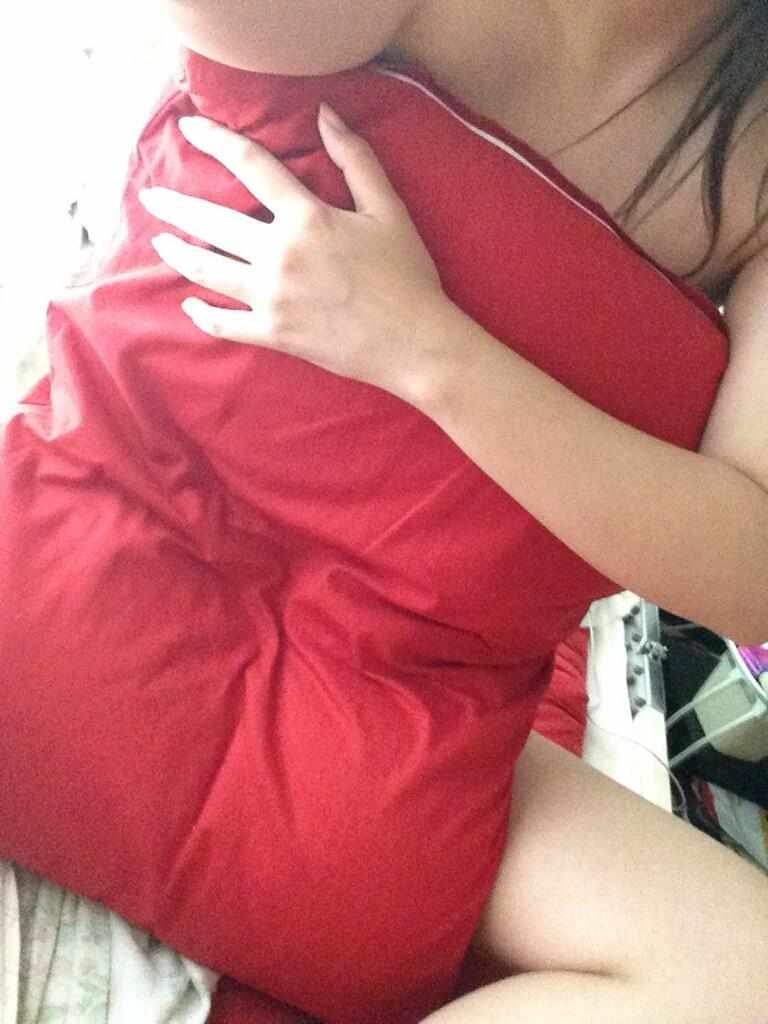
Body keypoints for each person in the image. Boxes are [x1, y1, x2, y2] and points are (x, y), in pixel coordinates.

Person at [136, 1, 768, 1020]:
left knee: (745, 979)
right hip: (127, 555)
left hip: (402, 692)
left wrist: (420, 346)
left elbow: (753, 565)